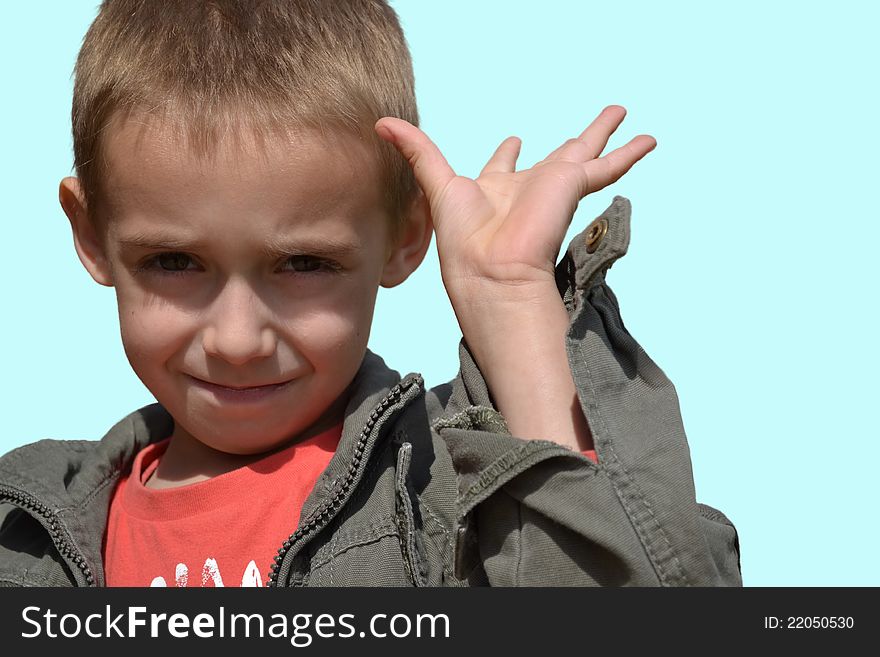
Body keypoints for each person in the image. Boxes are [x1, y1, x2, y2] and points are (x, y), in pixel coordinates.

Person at [0, 0, 741, 587]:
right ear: (92, 234)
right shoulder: (21, 535)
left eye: (302, 265)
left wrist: (511, 301)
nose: (235, 337)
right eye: (172, 261)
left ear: (405, 234)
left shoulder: (444, 491)